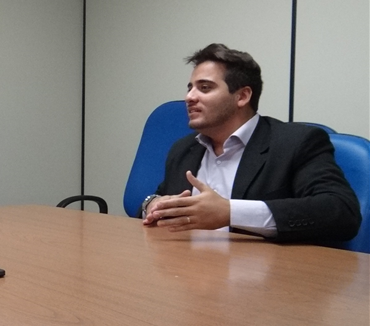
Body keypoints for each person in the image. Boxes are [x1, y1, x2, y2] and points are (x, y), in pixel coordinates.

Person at [142, 43, 361, 243]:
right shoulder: (184, 148)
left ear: (242, 96)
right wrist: (152, 204)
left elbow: (341, 212)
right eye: (190, 87)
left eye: (205, 88)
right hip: (188, 271)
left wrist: (230, 212)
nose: (189, 97)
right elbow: (160, 200)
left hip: (262, 276)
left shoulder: (296, 142)